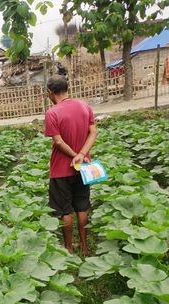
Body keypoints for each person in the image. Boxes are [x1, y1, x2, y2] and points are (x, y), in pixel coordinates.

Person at [45, 75, 97, 255]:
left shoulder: (52, 112)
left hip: (61, 169)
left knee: (64, 210)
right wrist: (82, 155)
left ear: (50, 93)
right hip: (83, 167)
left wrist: (75, 155)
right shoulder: (84, 106)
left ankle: (68, 248)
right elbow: (93, 132)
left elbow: (58, 141)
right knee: (82, 206)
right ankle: (84, 246)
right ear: (68, 89)